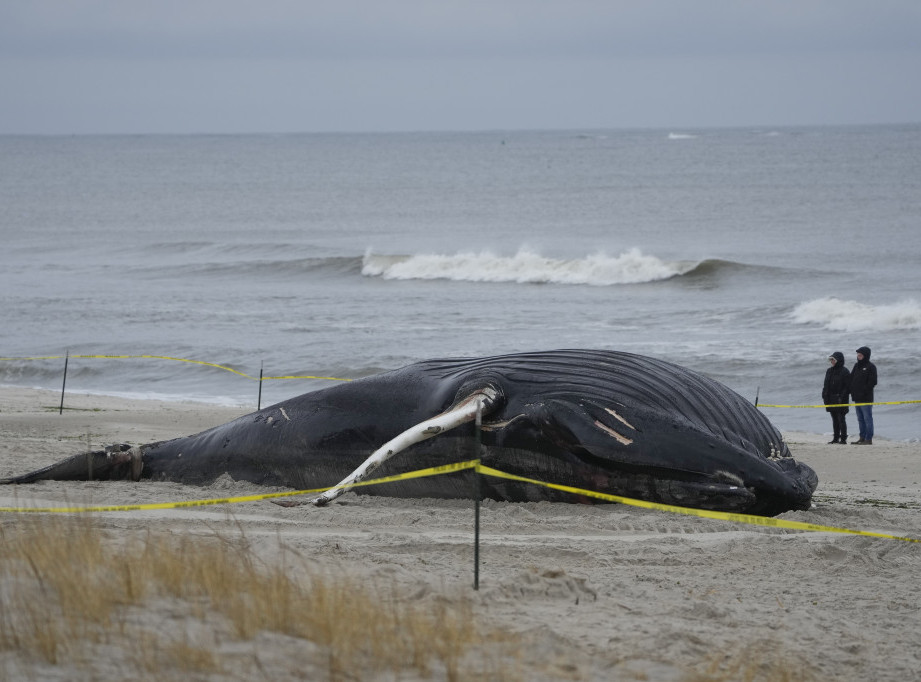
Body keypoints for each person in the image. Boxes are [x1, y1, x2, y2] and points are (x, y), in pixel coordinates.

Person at [850, 346, 878, 444]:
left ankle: (868, 439)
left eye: (860, 355)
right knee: (860, 419)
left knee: (867, 419)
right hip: (857, 398)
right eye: (857, 355)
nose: (858, 356)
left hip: (866, 398)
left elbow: (873, 382)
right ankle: (862, 437)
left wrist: (863, 391)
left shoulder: (871, 367)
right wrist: (852, 391)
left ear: (865, 355)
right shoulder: (856, 366)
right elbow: (851, 379)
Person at [822, 351, 850, 444]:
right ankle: (835, 438)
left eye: (833, 360)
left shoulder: (845, 371)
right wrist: (824, 395)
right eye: (831, 360)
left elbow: (847, 387)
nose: (832, 362)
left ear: (838, 360)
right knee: (834, 419)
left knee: (841, 419)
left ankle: (843, 439)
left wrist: (841, 397)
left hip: (841, 399)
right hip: (830, 399)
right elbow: (826, 384)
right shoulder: (829, 371)